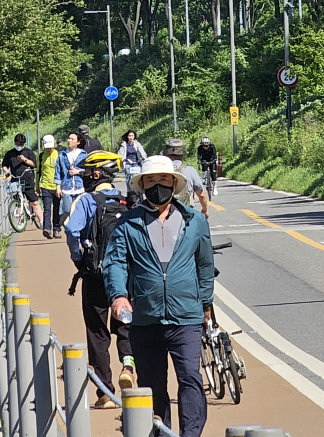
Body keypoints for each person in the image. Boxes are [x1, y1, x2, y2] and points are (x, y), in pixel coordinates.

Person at [103, 155, 214, 437]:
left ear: (174, 184)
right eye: (151, 181)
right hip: (145, 317)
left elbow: (204, 264)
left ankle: (191, 434)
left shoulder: (195, 221)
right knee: (153, 384)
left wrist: (206, 303)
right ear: (142, 185)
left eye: (163, 180)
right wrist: (118, 296)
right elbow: (115, 262)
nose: (157, 186)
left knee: (190, 377)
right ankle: (162, 434)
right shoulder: (128, 224)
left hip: (185, 315)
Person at [65, 151, 135, 407]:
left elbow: (72, 229)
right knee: (126, 324)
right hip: (125, 276)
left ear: (95, 174)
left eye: (85, 172)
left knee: (97, 331)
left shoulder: (86, 200)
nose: (84, 177)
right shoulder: (126, 201)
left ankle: (104, 391)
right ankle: (128, 365)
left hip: (94, 275)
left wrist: (78, 258)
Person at [2, 133, 44, 227]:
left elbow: (35, 164)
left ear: (24, 143)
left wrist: (25, 160)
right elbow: (4, 165)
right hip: (15, 180)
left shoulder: (28, 152)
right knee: (18, 202)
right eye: (17, 143)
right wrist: (7, 172)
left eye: (21, 144)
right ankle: (21, 221)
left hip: (27, 180)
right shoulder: (9, 154)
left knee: (34, 202)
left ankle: (42, 221)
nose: (19, 146)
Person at [161, 138, 209, 219]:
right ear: (182, 155)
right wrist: (205, 210)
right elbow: (201, 194)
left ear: (166, 154)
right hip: (185, 213)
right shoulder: (190, 170)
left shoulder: (159, 171)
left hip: (163, 214)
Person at [55, 131, 88, 221]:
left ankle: (78, 233)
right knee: (67, 212)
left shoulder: (84, 155)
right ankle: (69, 232)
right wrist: (58, 187)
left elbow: (88, 170)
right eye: (68, 138)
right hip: (66, 189)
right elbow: (58, 171)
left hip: (80, 188)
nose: (69, 140)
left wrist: (78, 171)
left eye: (72, 139)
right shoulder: (62, 155)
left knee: (80, 212)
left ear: (78, 142)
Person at [38, 134, 61, 238]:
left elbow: (62, 171)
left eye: (50, 147)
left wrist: (60, 186)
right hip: (45, 185)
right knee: (47, 209)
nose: (48, 149)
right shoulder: (41, 156)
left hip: (57, 186)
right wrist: (37, 186)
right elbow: (38, 171)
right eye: (47, 147)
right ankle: (47, 228)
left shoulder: (59, 155)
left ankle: (56, 229)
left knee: (57, 209)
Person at [118, 130, 146, 208]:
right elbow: (120, 155)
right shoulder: (124, 145)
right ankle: (130, 197)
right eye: (129, 136)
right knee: (129, 179)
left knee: (137, 179)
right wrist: (125, 159)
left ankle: (139, 196)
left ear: (134, 137)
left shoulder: (137, 144)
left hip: (137, 163)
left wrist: (143, 157)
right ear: (127, 136)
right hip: (128, 164)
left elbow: (142, 153)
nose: (131, 137)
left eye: (132, 136)